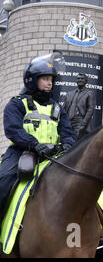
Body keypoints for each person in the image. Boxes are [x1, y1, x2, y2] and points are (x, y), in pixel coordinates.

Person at [0, 53, 75, 222]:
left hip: (53, 157)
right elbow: (13, 130)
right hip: (21, 154)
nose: (50, 83)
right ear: (32, 80)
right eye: (45, 79)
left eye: (51, 79)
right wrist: (34, 145)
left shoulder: (57, 109)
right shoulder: (17, 103)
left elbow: (68, 132)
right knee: (3, 182)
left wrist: (68, 145)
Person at [63, 73, 95, 140]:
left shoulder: (89, 93)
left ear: (86, 81)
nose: (80, 80)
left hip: (80, 121)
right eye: (78, 78)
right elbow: (64, 108)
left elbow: (90, 109)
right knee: (67, 141)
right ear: (76, 81)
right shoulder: (69, 94)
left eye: (82, 78)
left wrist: (83, 124)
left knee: (76, 142)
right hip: (68, 121)